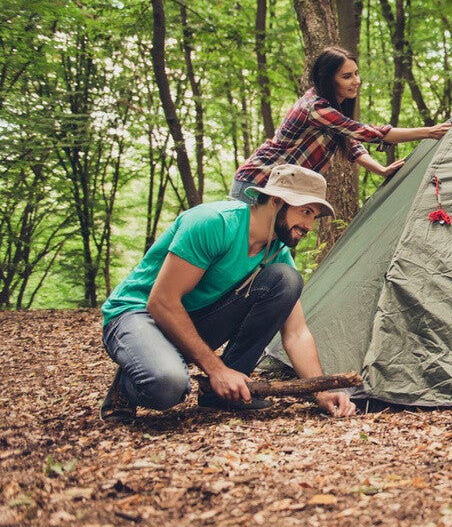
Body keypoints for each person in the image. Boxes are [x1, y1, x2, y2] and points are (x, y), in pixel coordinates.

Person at [100, 165, 357, 424]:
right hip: (138, 312)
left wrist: (321, 392)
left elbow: (296, 333)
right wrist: (216, 369)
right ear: (277, 201)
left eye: (314, 216)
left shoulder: (276, 251)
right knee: (167, 386)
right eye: (306, 212)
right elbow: (162, 302)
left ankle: (224, 393)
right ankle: (125, 388)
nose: (310, 226)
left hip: (191, 317)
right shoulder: (213, 223)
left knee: (287, 280)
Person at [230, 46, 451, 202]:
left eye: (356, 73)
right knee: (242, 251)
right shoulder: (315, 107)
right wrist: (429, 132)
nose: (357, 81)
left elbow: (351, 143)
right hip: (257, 182)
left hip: (283, 191)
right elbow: (365, 132)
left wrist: (381, 170)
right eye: (347, 76)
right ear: (328, 79)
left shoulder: (332, 111)